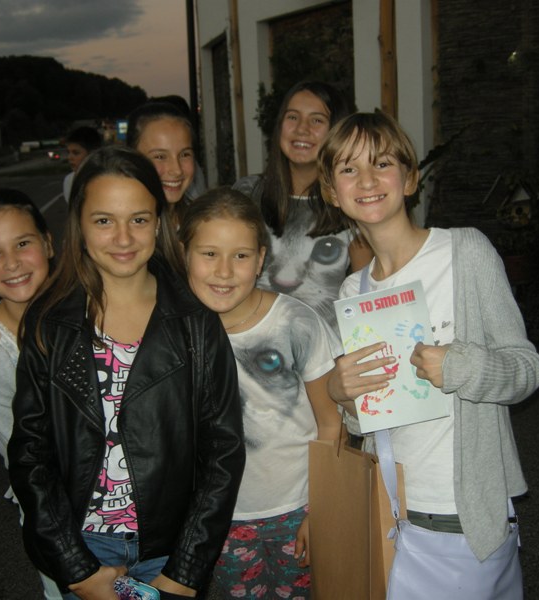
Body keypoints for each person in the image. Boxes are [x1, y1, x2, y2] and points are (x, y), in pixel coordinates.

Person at [317, 110, 539, 596]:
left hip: (463, 515)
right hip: (391, 513)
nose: (367, 180)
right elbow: (370, 419)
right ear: (332, 192)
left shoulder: (464, 252)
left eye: (382, 163)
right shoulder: (353, 291)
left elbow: (526, 368)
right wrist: (343, 395)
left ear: (410, 178)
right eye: (349, 169)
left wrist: (462, 366)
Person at [7, 146, 245, 599]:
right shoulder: (49, 324)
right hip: (86, 545)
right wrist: (75, 567)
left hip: (171, 549)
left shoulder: (195, 321)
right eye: (103, 220)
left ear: (158, 222)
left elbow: (222, 451)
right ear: (79, 224)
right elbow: (30, 454)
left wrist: (185, 570)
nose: (122, 237)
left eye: (138, 219)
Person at [179, 188, 343, 599]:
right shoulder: (177, 335)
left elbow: (331, 422)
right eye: (209, 254)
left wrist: (322, 509)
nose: (224, 271)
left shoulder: (297, 322)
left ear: (261, 260)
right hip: (218, 516)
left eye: (240, 255)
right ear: (185, 255)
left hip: (298, 507)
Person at [0, 188, 60, 599]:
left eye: (22, 243)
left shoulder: (96, 308)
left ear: (48, 243)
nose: (12, 263)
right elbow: (30, 456)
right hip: (56, 511)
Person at [232, 81, 371, 331]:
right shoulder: (247, 193)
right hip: (251, 342)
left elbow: (366, 297)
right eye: (292, 117)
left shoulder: (354, 201)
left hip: (328, 347)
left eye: (317, 120)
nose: (301, 129)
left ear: (337, 131)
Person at [127, 101, 200, 228]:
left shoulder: (201, 224)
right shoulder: (121, 231)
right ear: (132, 157)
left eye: (185, 154)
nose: (177, 170)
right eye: (160, 157)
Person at [63, 126, 103, 202]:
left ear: (92, 154)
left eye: (76, 153)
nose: (69, 157)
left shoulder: (107, 179)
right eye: (68, 152)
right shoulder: (70, 180)